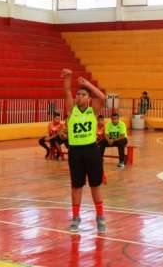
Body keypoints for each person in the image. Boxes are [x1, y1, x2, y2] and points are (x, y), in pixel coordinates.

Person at [62, 69, 107, 233]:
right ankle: (75, 218)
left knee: (95, 185)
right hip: (75, 151)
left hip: (91, 150)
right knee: (76, 186)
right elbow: (67, 90)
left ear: (88, 99)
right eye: (78, 94)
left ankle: (100, 217)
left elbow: (103, 98)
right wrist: (68, 77)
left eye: (82, 94)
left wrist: (87, 84)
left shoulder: (93, 110)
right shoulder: (72, 110)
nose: (78, 96)